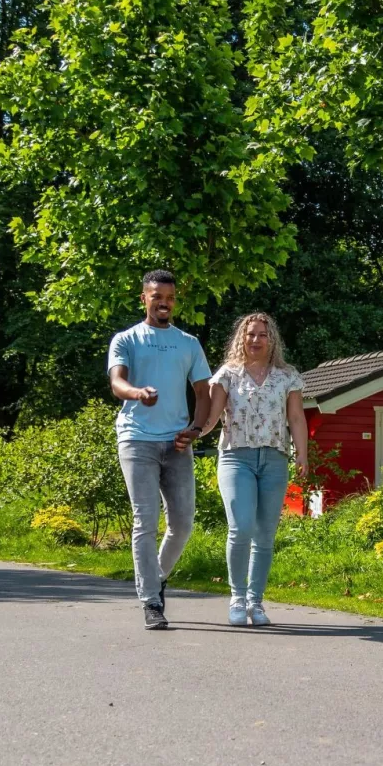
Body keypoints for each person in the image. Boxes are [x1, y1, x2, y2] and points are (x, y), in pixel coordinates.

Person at [107, 270, 212, 630]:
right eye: (156, 296)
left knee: (182, 523)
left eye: (169, 297)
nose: (163, 302)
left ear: (174, 300)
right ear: (144, 299)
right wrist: (137, 393)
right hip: (137, 438)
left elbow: (204, 393)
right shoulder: (127, 339)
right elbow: (117, 381)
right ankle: (151, 600)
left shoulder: (188, 343)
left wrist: (196, 429)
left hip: (177, 442)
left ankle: (157, 577)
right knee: (145, 520)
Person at [203, 312, 308, 627]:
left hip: (275, 459)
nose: (256, 340)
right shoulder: (228, 374)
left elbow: (297, 418)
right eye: (250, 334)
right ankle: (237, 598)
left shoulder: (287, 376)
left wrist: (302, 454)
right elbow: (212, 416)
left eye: (262, 334)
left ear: (271, 339)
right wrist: (193, 434)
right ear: (241, 338)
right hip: (237, 457)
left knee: (264, 535)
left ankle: (256, 603)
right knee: (241, 527)